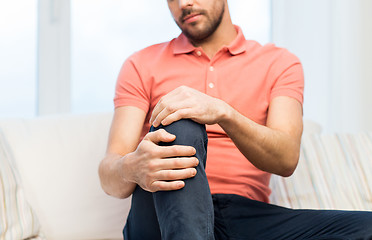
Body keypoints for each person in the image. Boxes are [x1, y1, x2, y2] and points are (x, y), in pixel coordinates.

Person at [99, 0, 372, 239]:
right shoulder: (141, 64)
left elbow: (286, 159)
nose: (184, 4)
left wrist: (223, 112)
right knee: (179, 118)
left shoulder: (279, 63)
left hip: (245, 217)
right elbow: (109, 172)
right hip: (161, 215)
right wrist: (131, 167)